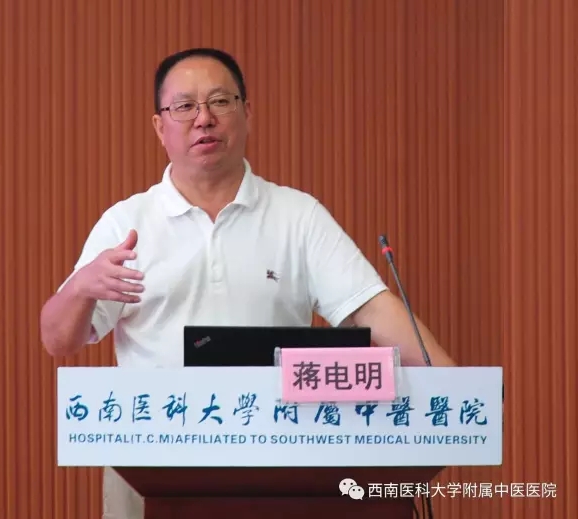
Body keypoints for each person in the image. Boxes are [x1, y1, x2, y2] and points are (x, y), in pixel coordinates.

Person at [40, 47, 456, 519]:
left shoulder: (297, 216)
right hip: (151, 456)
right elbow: (58, 340)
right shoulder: (127, 222)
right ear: (160, 126)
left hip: (280, 454)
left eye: (220, 101)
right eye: (184, 106)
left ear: (247, 113)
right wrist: (81, 288)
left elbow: (371, 308)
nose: (204, 119)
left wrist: (455, 385)